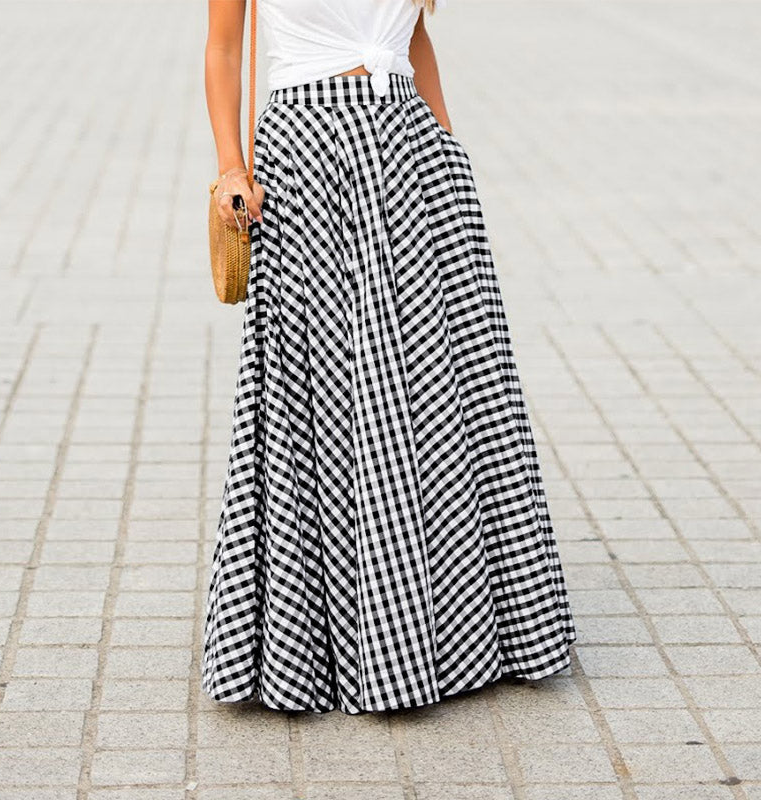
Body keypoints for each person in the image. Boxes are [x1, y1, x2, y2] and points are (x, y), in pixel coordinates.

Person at [201, 0, 577, 716]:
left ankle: (458, 630)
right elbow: (222, 50)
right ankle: (340, 636)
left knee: (444, 393)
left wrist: (449, 146)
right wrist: (230, 167)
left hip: (413, 158)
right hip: (309, 155)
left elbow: (416, 37)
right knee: (336, 394)